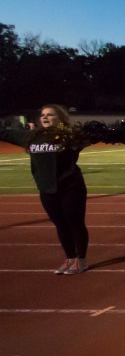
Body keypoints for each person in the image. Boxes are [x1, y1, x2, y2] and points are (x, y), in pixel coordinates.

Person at [0, 104, 92, 275]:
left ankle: (82, 260)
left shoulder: (71, 136)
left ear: (60, 118)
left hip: (71, 187)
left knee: (75, 223)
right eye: (43, 115)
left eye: (50, 115)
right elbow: (4, 133)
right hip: (46, 188)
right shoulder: (32, 137)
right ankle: (70, 257)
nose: (45, 117)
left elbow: (102, 134)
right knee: (60, 224)